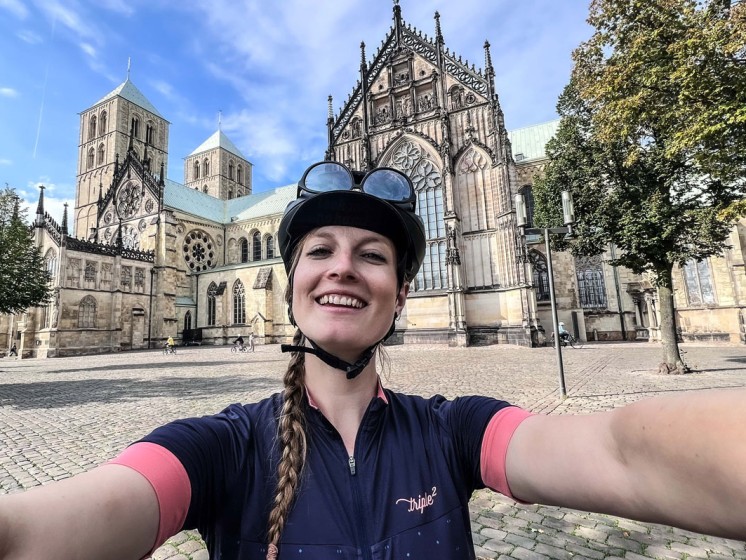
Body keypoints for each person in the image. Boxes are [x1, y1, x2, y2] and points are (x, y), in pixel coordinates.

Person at [0, 161, 744, 560]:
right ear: (287, 282)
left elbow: (624, 455)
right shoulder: (221, 451)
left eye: (373, 255)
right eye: (318, 250)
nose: (343, 268)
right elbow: (51, 526)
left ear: (402, 293)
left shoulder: (453, 434)